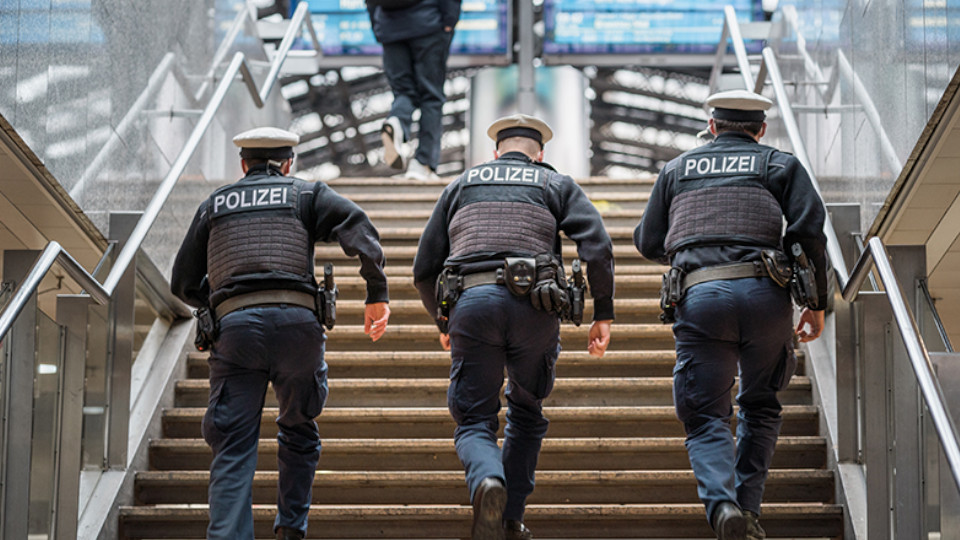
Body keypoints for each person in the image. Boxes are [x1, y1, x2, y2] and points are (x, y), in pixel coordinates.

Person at [170, 127, 391, 540]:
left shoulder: (215, 204)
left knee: (233, 447)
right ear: (289, 164)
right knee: (299, 427)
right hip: (297, 329)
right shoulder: (306, 194)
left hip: (235, 332)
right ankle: (291, 529)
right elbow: (358, 226)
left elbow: (181, 281)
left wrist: (214, 305)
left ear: (243, 165)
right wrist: (376, 292)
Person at [634, 90, 828, 540]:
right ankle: (750, 511)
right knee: (760, 405)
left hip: (700, 298)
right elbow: (807, 232)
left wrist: (694, 248)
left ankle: (722, 508)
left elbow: (647, 241)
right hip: (766, 297)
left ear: (713, 128)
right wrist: (815, 304)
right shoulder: (779, 164)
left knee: (704, 415)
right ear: (761, 130)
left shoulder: (677, 169)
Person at [412, 113, 615, 540]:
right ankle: (511, 518)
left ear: (495, 152)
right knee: (525, 412)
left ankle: (487, 480)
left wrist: (442, 318)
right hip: (535, 308)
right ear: (540, 153)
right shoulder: (553, 183)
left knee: (473, 419)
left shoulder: (461, 185)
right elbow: (596, 245)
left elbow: (423, 267)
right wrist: (603, 312)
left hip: (471, 304)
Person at [367, 0, 461, 180]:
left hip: (390, 28)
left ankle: (397, 121)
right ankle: (423, 164)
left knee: (403, 91)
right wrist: (449, 22)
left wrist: (378, 26)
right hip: (429, 25)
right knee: (431, 96)